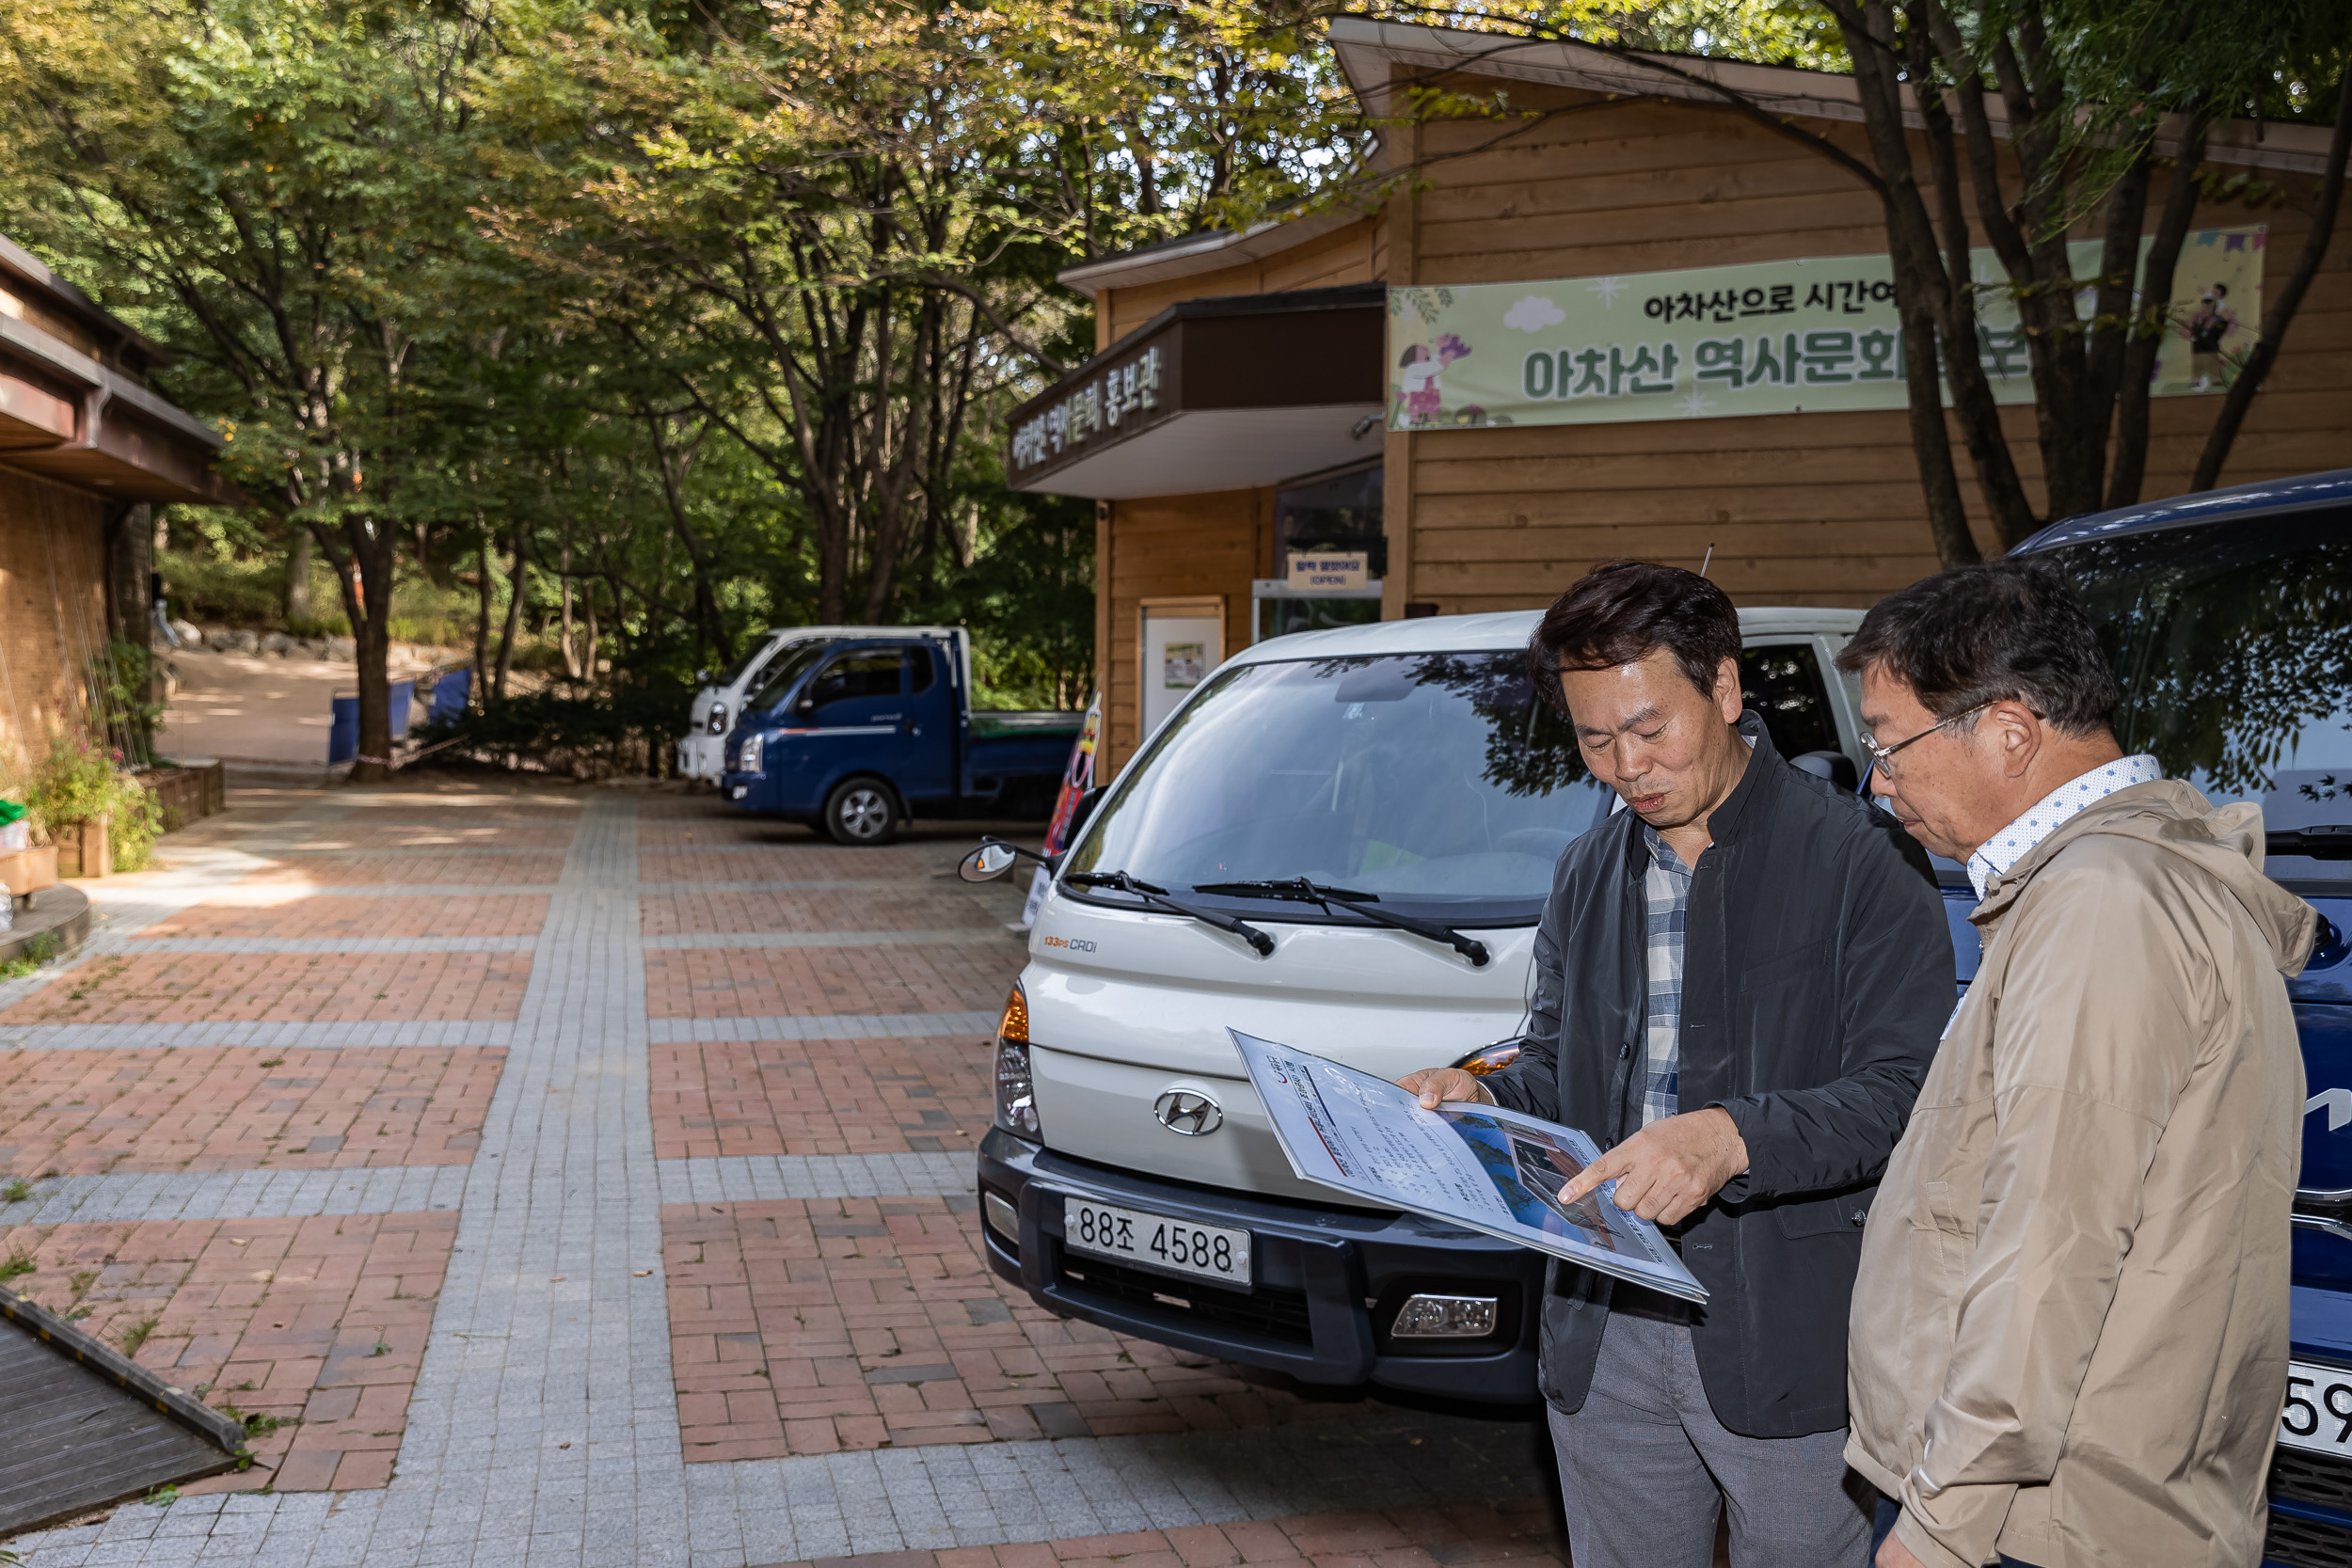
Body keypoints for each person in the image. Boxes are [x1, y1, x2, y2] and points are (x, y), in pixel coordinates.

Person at [1399, 561, 1953, 1568]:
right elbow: (1558, 1062)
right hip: (1603, 1325)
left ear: (1727, 691)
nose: (1625, 766)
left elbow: (1905, 1091)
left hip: (1791, 1332)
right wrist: (1478, 1090)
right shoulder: (1586, 870)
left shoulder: (1860, 858)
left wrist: (1732, 1136)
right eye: (1594, 738)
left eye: (1651, 729)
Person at [1837, 560, 2313, 1568]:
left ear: (2008, 730)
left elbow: (2051, 1245)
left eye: (1888, 744)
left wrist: (1939, 1521)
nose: (1879, 785)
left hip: (2039, 1520)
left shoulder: (2100, 904)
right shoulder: (2117, 882)